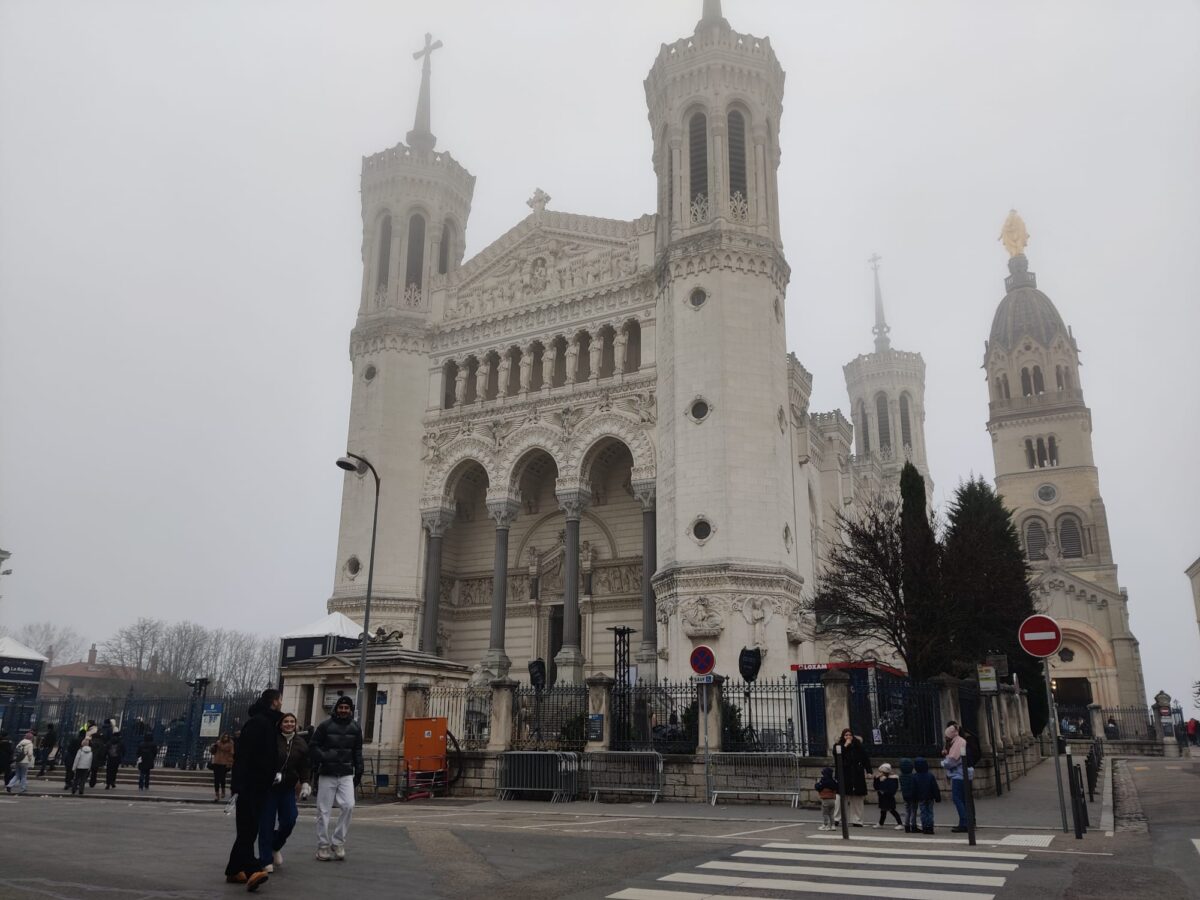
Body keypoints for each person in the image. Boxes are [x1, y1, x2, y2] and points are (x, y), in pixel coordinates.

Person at [225, 689, 282, 891]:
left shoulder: (267, 723)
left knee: (249, 829)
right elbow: (244, 755)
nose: (281, 703)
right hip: (250, 784)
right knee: (248, 829)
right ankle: (252, 869)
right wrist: (238, 785)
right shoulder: (259, 723)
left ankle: (233, 869)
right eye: (280, 700)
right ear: (274, 702)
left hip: (259, 784)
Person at [310, 695, 364, 861]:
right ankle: (323, 845)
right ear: (336, 708)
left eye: (346, 708)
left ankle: (338, 841)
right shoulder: (325, 725)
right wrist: (324, 757)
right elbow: (313, 745)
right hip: (327, 772)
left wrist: (359, 769)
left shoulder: (355, 728)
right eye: (341, 707)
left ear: (350, 710)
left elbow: (357, 751)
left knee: (348, 806)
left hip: (346, 772)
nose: (343, 710)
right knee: (323, 810)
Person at [259, 712, 311, 873]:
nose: (289, 724)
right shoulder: (272, 740)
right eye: (286, 721)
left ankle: (276, 845)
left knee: (289, 820)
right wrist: (269, 773)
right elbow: (262, 759)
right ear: (280, 724)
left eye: (292, 722)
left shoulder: (301, 743)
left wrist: (305, 783)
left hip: (287, 788)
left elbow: (304, 765)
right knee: (266, 824)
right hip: (270, 788)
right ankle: (265, 859)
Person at [832, 728, 870, 827]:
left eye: (850, 735)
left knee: (857, 798)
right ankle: (837, 819)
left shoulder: (858, 746)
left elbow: (865, 758)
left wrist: (869, 771)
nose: (848, 737)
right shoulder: (838, 746)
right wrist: (845, 745)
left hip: (857, 775)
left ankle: (857, 820)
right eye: (846, 735)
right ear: (843, 736)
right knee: (840, 798)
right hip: (843, 774)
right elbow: (837, 755)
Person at [941, 723, 970, 833]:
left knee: (957, 799)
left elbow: (952, 760)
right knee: (962, 799)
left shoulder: (958, 742)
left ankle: (964, 823)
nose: (946, 738)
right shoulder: (958, 741)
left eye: (947, 736)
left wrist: (943, 762)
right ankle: (965, 822)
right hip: (962, 774)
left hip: (959, 775)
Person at [912, 756, 941, 834]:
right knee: (930, 812)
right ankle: (930, 827)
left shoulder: (915, 776)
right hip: (930, 797)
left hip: (921, 797)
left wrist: (914, 798)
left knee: (923, 812)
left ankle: (925, 827)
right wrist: (937, 797)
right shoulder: (930, 775)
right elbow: (935, 787)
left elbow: (914, 789)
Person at [873, 762, 902, 829]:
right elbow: (876, 787)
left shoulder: (893, 779)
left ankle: (900, 823)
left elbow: (892, 789)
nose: (879, 773)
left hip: (889, 797)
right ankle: (881, 823)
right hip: (882, 797)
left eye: (881, 772)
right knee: (883, 811)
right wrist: (876, 779)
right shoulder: (881, 778)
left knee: (892, 810)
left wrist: (884, 792)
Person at [211, 733, 235, 802]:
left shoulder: (230, 744)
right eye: (224, 736)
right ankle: (216, 794)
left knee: (222, 778)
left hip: (224, 763)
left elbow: (232, 753)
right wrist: (213, 747)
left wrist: (230, 763)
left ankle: (223, 791)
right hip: (217, 762)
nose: (225, 738)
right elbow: (213, 752)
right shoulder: (218, 743)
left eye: (227, 737)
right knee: (216, 779)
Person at [813, 766, 839, 831]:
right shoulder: (833, 781)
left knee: (825, 813)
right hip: (833, 800)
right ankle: (833, 826)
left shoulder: (824, 781)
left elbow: (818, 787)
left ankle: (825, 825)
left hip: (825, 799)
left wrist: (817, 783)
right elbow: (837, 786)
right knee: (831, 814)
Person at [898, 757, 918, 833]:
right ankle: (913, 826)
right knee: (913, 811)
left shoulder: (901, 776)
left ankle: (907, 826)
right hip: (913, 795)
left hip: (905, 795)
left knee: (907, 811)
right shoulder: (913, 776)